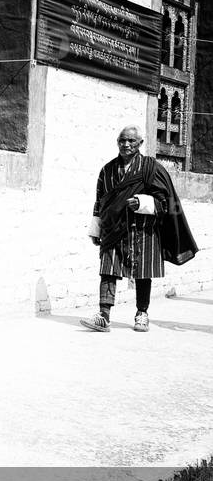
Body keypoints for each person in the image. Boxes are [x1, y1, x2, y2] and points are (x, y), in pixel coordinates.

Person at [80, 125, 198, 333]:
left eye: (131, 141)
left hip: (143, 230)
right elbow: (100, 201)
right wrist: (96, 228)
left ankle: (142, 313)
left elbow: (166, 203)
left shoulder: (151, 168)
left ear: (140, 143)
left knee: (143, 273)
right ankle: (103, 316)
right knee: (108, 270)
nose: (126, 144)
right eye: (122, 140)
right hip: (113, 229)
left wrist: (144, 203)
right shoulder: (107, 170)